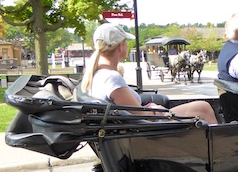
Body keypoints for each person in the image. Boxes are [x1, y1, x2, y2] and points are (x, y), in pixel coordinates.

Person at [81, 22, 218, 124]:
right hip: (148, 131)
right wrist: (156, 110)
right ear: (121, 46)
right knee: (203, 108)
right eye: (125, 42)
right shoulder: (111, 78)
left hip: (136, 128)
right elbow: (142, 116)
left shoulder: (95, 75)